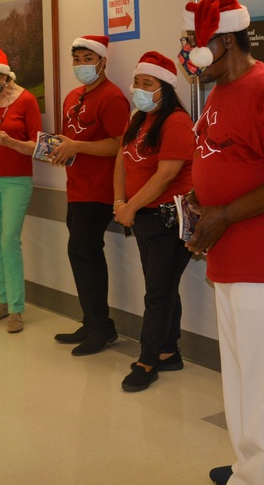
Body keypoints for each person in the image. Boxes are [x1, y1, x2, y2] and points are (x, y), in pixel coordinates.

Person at [181, 0, 264, 485]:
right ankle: (250, 465)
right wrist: (200, 200)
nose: (192, 57)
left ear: (227, 41)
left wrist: (225, 213)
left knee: (261, 376)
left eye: (198, 45)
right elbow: (224, 156)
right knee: (238, 370)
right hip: (229, 250)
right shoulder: (218, 93)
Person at [112, 51, 194, 392]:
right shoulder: (138, 118)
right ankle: (168, 350)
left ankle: (147, 362)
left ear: (166, 87)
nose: (138, 89)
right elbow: (121, 161)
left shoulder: (176, 122)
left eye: (147, 84)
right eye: (137, 82)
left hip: (167, 219)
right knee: (163, 287)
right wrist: (120, 201)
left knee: (157, 293)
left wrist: (130, 207)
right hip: (142, 216)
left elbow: (166, 176)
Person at [47, 35, 130, 356]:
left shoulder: (113, 98)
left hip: (101, 191)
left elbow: (120, 144)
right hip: (76, 187)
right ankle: (92, 320)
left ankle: (103, 327)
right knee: (80, 255)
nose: (81, 66)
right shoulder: (72, 97)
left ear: (103, 62)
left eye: (87, 59)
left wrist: (78, 146)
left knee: (84, 252)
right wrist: (59, 146)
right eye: (77, 60)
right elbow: (71, 139)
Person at [0, 48, 42, 333]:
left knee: (10, 241)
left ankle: (16, 309)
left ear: (4, 74)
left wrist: (11, 142)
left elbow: (39, 146)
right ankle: (2, 301)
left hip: (16, 179)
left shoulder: (26, 100)